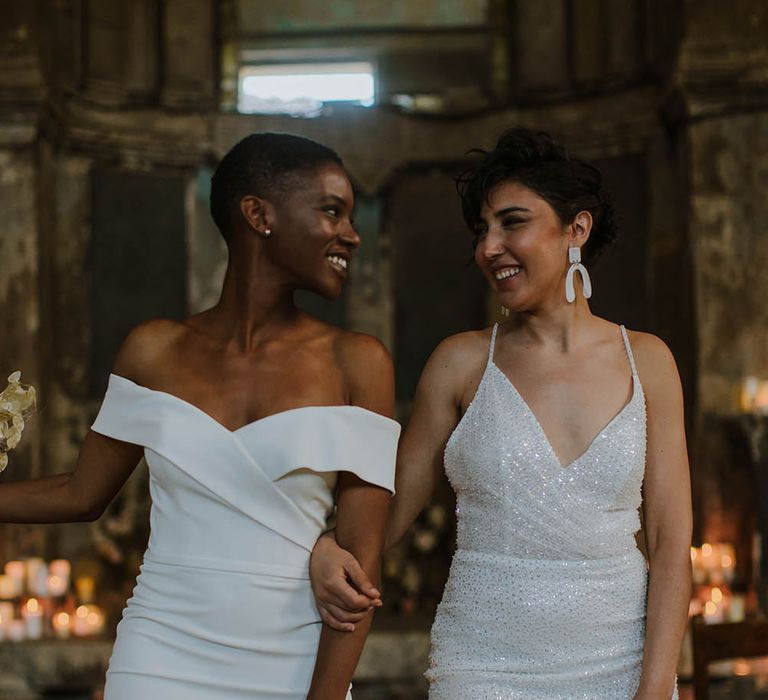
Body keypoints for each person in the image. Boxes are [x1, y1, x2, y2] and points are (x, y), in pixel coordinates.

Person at [0, 133, 400, 699]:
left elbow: (361, 571)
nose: (352, 236)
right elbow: (80, 494)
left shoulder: (358, 363)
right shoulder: (152, 350)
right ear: (259, 215)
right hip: (161, 651)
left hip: (294, 654)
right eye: (332, 211)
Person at [310, 128, 692, 699]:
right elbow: (387, 514)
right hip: (482, 665)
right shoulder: (460, 363)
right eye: (481, 231)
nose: (489, 248)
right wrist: (323, 546)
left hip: (620, 661)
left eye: (512, 223)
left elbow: (670, 540)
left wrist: (657, 684)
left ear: (577, 229)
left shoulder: (650, 362)